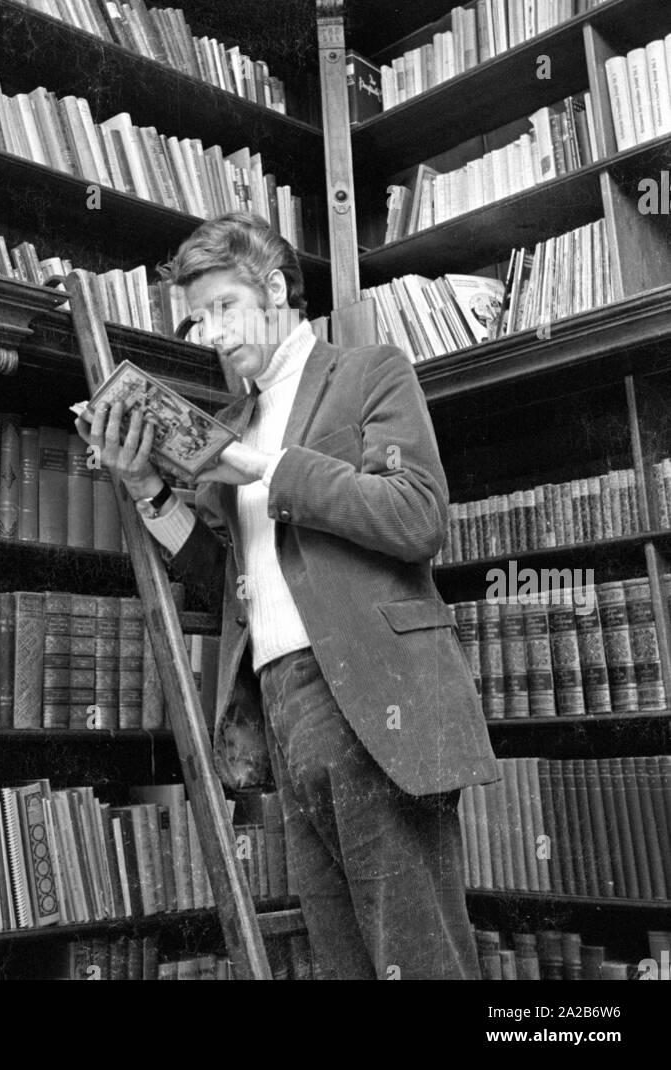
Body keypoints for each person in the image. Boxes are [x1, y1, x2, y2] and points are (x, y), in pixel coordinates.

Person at [74, 211, 497, 980]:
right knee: (343, 960)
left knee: (419, 957)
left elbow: (416, 515)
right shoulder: (228, 427)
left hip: (375, 701)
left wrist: (265, 467)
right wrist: (147, 492)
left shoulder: (370, 371)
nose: (211, 333)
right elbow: (229, 584)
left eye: (225, 307)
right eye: (198, 320)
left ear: (275, 289)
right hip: (280, 710)